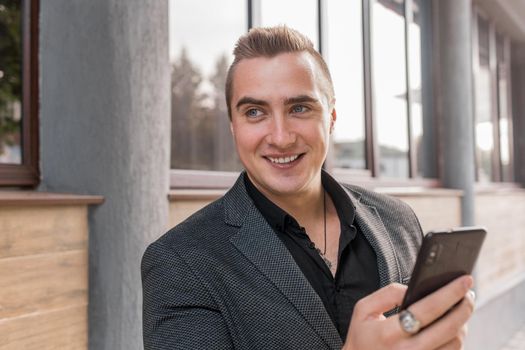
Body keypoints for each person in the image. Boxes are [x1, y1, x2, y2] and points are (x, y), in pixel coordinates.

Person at [142, 26, 474, 350]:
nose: (281, 137)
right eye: (255, 112)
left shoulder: (398, 219)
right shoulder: (179, 262)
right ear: (233, 127)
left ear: (330, 117)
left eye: (299, 108)